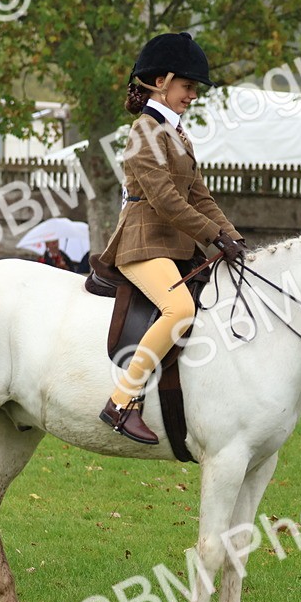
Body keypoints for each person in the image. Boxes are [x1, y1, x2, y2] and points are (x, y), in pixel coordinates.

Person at [95, 32, 246, 445]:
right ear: (161, 81)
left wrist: (234, 241)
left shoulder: (178, 135)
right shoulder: (145, 132)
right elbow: (164, 200)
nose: (193, 95)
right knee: (179, 308)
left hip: (174, 246)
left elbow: (201, 197)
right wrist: (213, 236)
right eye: (188, 86)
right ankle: (121, 402)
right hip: (142, 243)